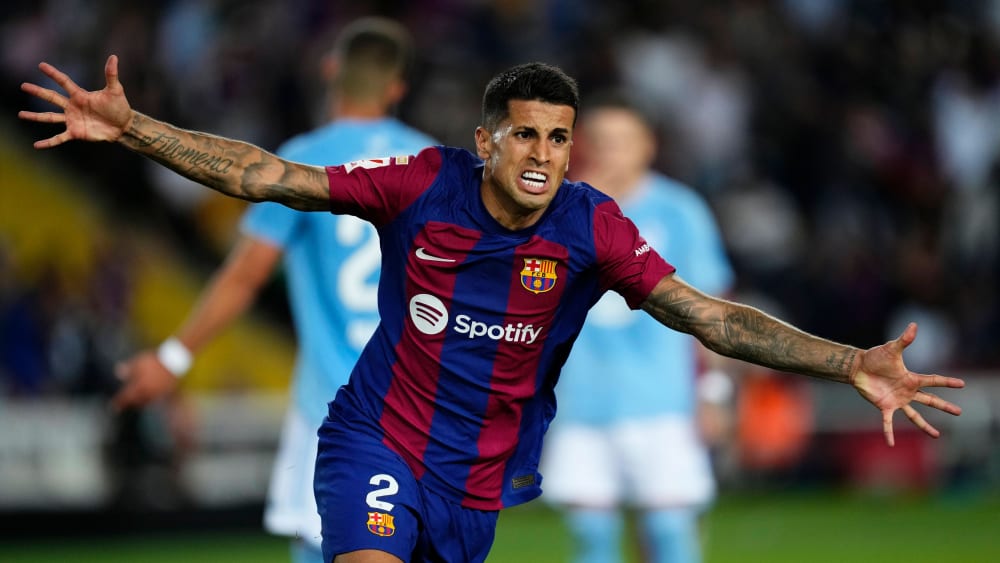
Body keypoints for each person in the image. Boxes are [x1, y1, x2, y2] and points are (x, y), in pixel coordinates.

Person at [20, 56, 965, 563]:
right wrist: (134, 129)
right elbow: (270, 176)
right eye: (525, 134)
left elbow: (709, 317)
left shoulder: (592, 227)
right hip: (375, 438)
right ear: (486, 141)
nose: (543, 153)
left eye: (558, 137)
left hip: (475, 481)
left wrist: (850, 361)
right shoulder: (422, 184)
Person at [109, 18, 436, 563]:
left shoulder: (305, 158)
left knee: (322, 547)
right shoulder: (433, 163)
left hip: (335, 408)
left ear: (330, 70)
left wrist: (172, 358)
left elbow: (245, 276)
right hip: (420, 410)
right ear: (397, 86)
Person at [538, 94, 734, 563]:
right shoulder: (556, 211)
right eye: (601, 141)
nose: (611, 151)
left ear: (648, 146)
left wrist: (714, 391)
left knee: (669, 531)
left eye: (623, 141)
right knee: (592, 536)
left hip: (662, 402)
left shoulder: (679, 211)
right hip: (579, 401)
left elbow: (711, 310)